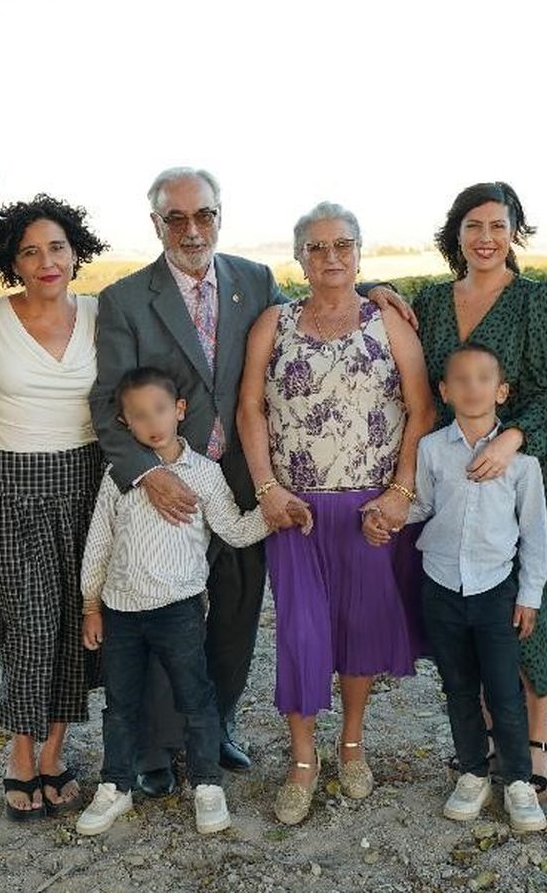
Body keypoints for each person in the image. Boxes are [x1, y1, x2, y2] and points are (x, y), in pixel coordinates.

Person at [89, 167, 413, 795]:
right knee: (164, 602)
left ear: (219, 215)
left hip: (239, 481)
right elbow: (108, 401)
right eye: (176, 218)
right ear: (155, 223)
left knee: (235, 612)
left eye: (203, 214)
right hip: (166, 483)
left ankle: (217, 726)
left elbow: (322, 300)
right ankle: (158, 749)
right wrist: (148, 473)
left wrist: (373, 285)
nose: (191, 229)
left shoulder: (254, 279)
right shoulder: (126, 299)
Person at [236, 202, 435, 825]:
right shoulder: (276, 321)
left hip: (370, 509)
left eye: (342, 245)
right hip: (295, 508)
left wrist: (401, 492)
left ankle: (351, 745)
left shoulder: (389, 321)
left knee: (358, 630)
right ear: (299, 257)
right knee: (300, 633)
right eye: (317, 247)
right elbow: (249, 410)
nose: (330, 257)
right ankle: (303, 760)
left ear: (358, 250)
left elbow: (421, 410)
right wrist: (266, 487)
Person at [75, 367, 312, 836]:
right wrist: (90, 605)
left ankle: (207, 785)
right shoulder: (120, 476)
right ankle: (115, 787)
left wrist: (275, 515)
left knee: (197, 699)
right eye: (139, 416)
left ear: (180, 410)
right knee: (121, 705)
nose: (152, 422)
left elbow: (233, 529)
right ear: (124, 423)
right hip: (122, 613)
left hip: (179, 610)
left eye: (160, 410)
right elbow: (99, 541)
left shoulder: (203, 474)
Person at [409, 182, 547, 797]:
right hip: (447, 468)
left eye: (499, 226)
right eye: (474, 226)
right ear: (457, 234)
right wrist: (383, 294)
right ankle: (481, 745)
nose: (486, 238)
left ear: (514, 232)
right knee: (467, 601)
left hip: (518, 464)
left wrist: (510, 441)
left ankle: (535, 740)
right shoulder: (430, 301)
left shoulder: (537, 302)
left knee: (526, 606)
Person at [0, 194, 107, 821]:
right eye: (29, 251)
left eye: (56, 247)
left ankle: (55, 751)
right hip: (9, 486)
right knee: (31, 626)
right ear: (12, 262)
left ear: (76, 253)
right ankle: (19, 757)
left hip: (86, 482)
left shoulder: (106, 315)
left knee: (77, 624)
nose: (45, 260)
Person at [403, 342, 547, 833]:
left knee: (505, 690)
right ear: (444, 391)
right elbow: (422, 506)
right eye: (460, 380)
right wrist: (387, 511)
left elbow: (535, 536)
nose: (472, 388)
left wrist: (528, 595)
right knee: (459, 687)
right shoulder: (431, 450)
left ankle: (517, 781)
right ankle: (471, 771)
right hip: (441, 585)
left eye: (483, 378)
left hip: (494, 589)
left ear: (501, 391)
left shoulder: (521, 465)